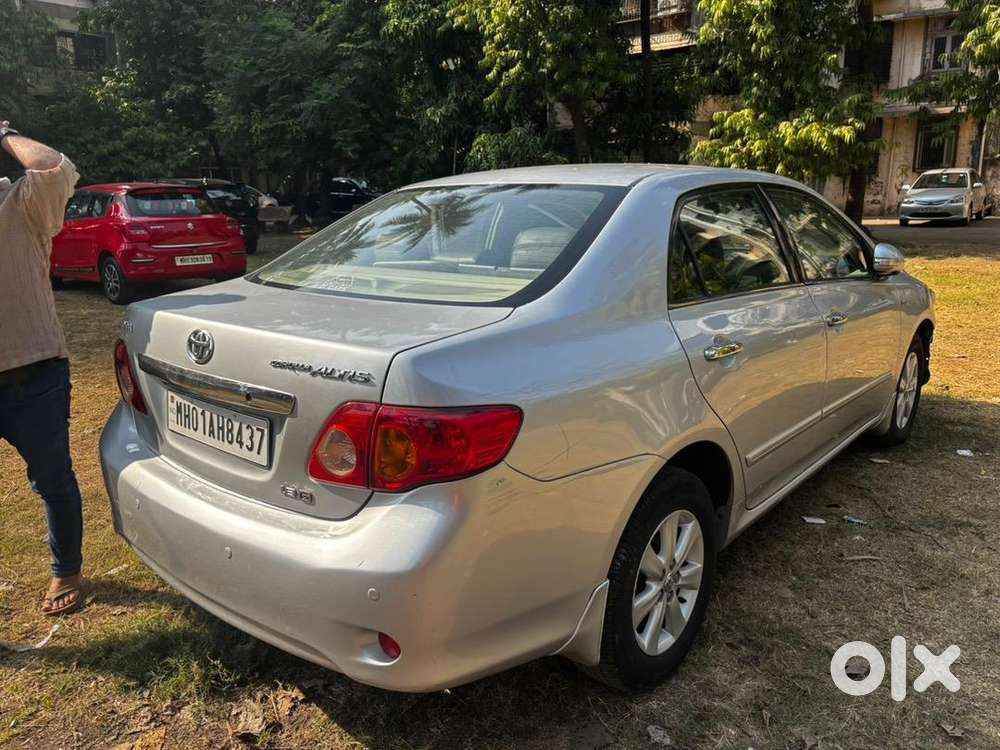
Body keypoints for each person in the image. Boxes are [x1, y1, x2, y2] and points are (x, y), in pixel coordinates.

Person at [0, 120, 84, 615]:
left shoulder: (21, 205)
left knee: (53, 479)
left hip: (33, 377)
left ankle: (66, 570)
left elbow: (53, 166)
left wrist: (2, 131)